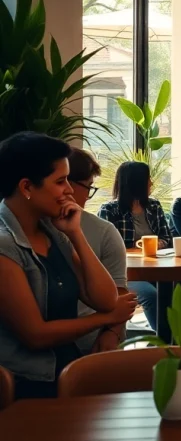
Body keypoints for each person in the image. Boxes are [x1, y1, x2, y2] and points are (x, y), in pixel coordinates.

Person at [0, 133, 136, 399]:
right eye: (61, 181)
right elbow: (35, 334)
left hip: (65, 373)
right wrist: (107, 320)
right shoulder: (4, 245)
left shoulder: (53, 232)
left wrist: (75, 234)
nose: (70, 191)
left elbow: (106, 298)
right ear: (27, 187)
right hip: (23, 387)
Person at [67, 148, 130, 354]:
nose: (88, 196)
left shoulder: (103, 231)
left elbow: (119, 298)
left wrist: (111, 332)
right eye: (88, 187)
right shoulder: (24, 234)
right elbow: (34, 332)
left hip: (92, 339)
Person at [98, 161, 172, 330]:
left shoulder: (154, 206)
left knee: (175, 289)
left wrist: (159, 243)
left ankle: (177, 338)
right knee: (151, 295)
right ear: (136, 182)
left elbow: (167, 236)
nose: (151, 183)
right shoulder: (109, 210)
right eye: (148, 179)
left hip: (156, 267)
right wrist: (140, 248)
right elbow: (106, 248)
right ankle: (164, 341)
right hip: (125, 272)